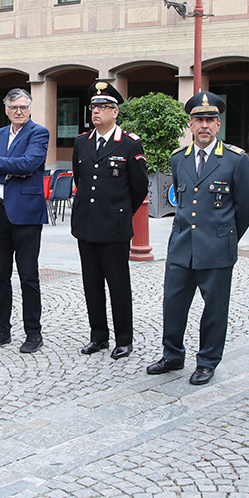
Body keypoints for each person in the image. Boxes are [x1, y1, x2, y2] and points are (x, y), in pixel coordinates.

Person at [146, 92, 249, 386]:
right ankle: (172, 355)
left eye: (210, 120)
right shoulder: (178, 159)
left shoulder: (235, 160)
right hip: (182, 246)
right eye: (198, 120)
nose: (204, 125)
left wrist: (226, 237)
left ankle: (207, 361)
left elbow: (246, 207)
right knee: (173, 303)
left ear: (218, 125)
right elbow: (182, 200)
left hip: (217, 248)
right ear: (190, 125)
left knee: (215, 308)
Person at [70, 81, 148, 360]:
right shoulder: (82, 142)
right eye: (94, 106)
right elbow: (80, 180)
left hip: (114, 227)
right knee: (91, 284)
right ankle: (98, 335)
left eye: (103, 107)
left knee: (117, 284)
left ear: (115, 112)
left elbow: (139, 187)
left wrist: (120, 212)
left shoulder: (129, 143)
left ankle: (124, 338)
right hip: (87, 225)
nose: (96, 111)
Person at [0, 88, 51, 353]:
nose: (18, 111)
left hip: (26, 213)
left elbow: (29, 164)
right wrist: (6, 168)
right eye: (13, 107)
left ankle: (33, 332)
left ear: (29, 108)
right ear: (6, 110)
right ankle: (2, 329)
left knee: (28, 275)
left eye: (23, 107)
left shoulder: (38, 133)